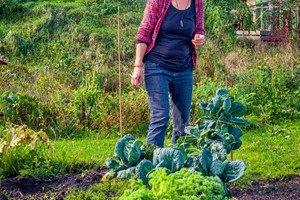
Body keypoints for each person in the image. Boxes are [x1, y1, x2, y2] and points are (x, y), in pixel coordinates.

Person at [131, 0, 206, 148]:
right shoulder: (158, 2)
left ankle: (177, 164)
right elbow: (144, 32)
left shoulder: (197, 3)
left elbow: (199, 29)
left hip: (184, 68)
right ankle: (151, 164)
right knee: (160, 117)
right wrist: (138, 65)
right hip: (157, 66)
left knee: (182, 121)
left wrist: (200, 38)